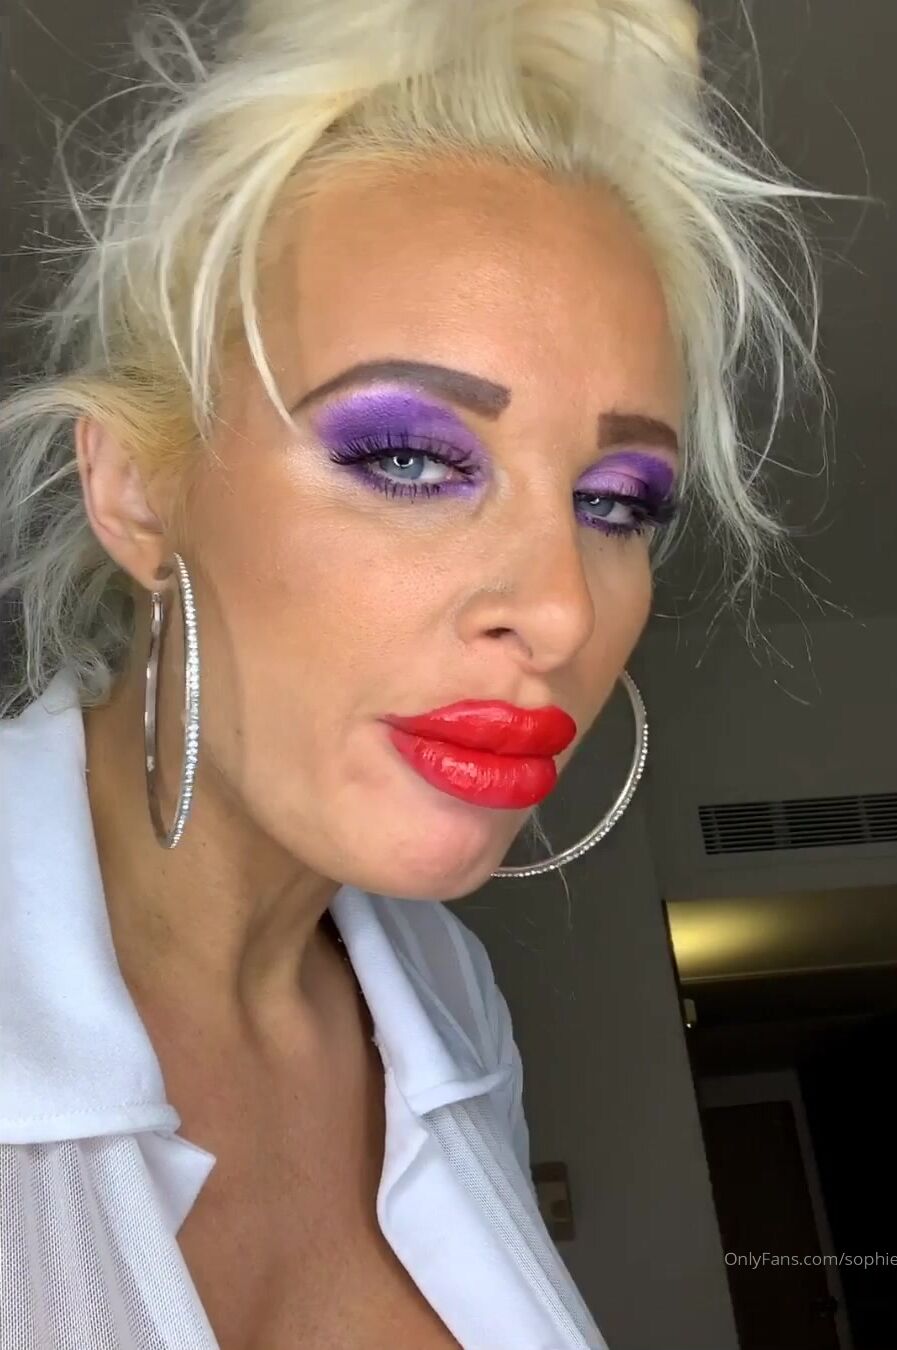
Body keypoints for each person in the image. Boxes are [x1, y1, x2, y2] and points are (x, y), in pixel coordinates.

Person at [0, 1, 824, 1346]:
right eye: (408, 458)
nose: (560, 607)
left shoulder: (450, 1010)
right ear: (138, 486)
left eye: (615, 500)